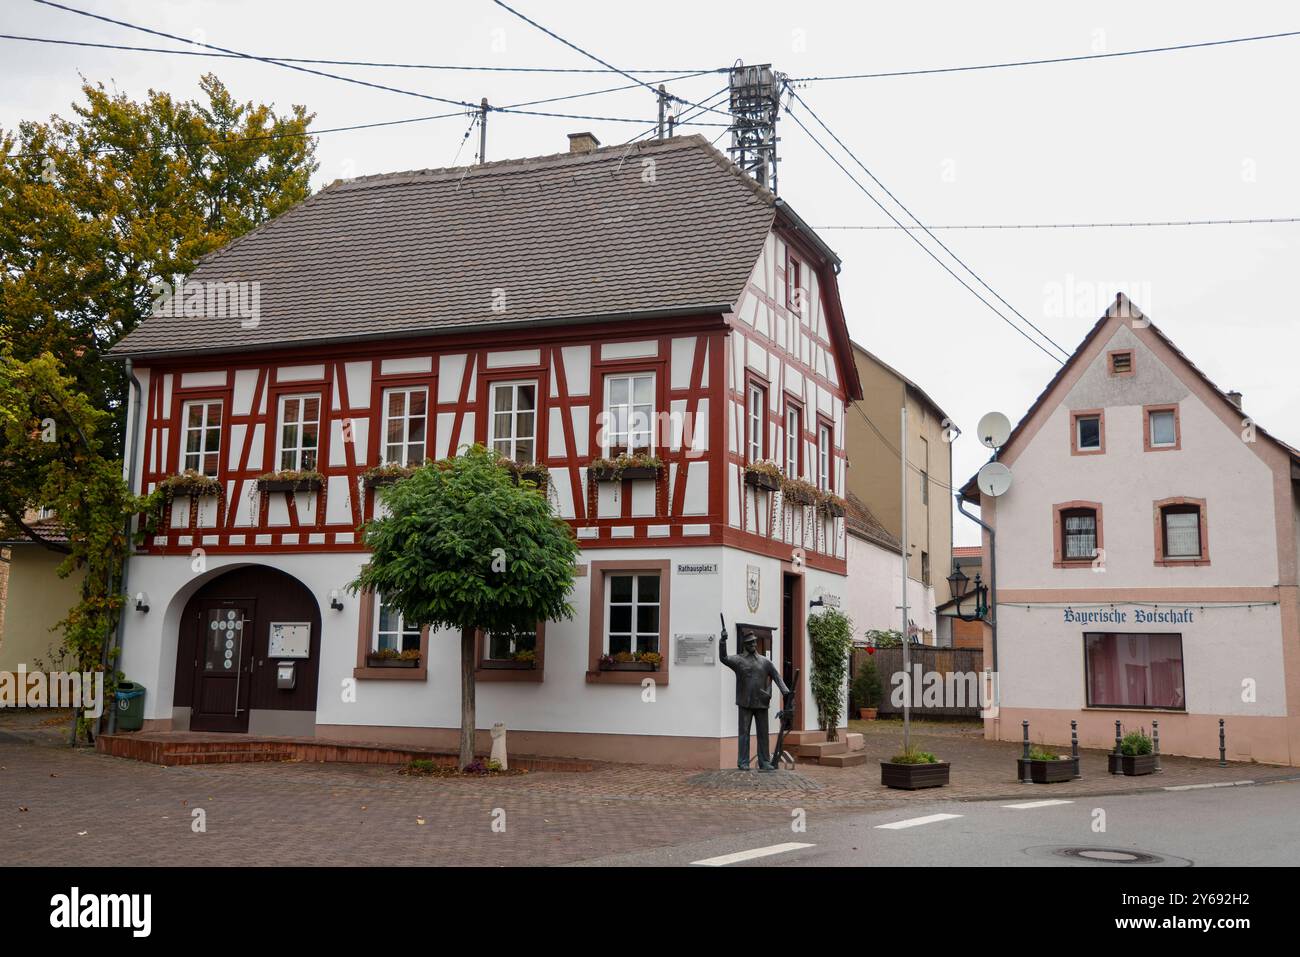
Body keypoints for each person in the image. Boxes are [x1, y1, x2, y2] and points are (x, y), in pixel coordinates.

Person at [720, 628, 791, 771]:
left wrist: (786, 693)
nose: (752, 644)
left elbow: (777, 677)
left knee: (763, 734)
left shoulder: (765, 661)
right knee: (744, 734)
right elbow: (724, 658)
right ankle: (743, 761)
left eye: (753, 642)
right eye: (749, 642)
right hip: (745, 702)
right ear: (745, 645)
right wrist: (723, 641)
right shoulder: (738, 660)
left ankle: (764, 761)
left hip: (761, 702)